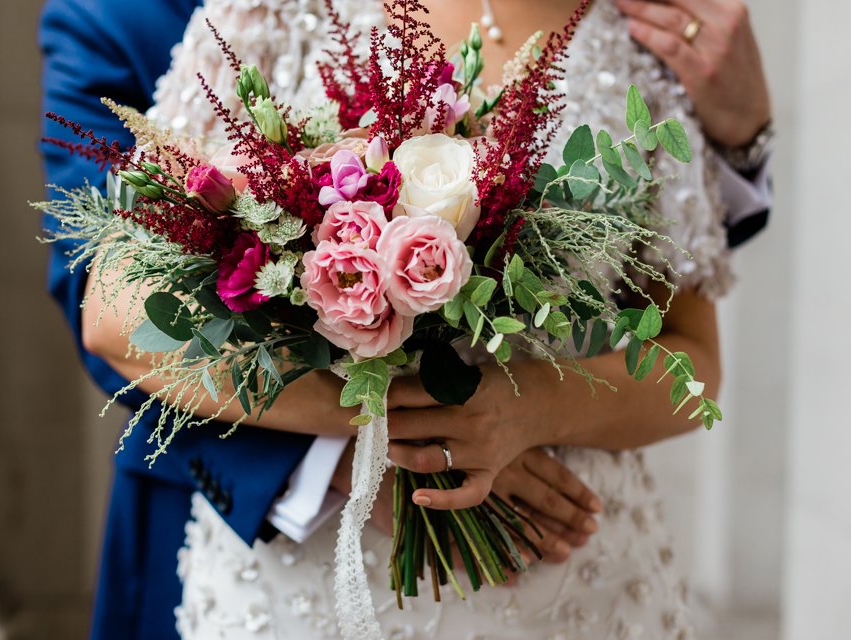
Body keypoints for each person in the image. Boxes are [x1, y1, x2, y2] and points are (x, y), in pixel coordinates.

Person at [37, 0, 773, 638]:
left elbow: (692, 366)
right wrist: (385, 428)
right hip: (309, 580)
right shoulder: (265, 18)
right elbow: (113, 312)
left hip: (570, 579)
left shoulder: (640, 39)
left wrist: (534, 405)